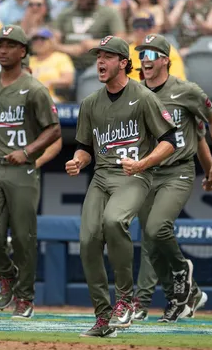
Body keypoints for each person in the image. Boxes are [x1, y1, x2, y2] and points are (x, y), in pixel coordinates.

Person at [65, 35, 177, 337]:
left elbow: (169, 141)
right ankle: (103, 318)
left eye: (108, 56)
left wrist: (143, 164)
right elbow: (85, 147)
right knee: (88, 240)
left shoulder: (143, 97)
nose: (100, 61)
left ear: (124, 63)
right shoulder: (90, 103)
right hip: (101, 177)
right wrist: (78, 160)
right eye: (98, 56)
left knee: (115, 221)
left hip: (135, 176)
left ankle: (126, 299)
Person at [0, 25, 62, 318]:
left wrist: (28, 151)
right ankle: (6, 274)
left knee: (23, 236)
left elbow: (54, 129)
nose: (2, 49)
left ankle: (25, 298)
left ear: (22, 51)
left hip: (22, 168)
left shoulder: (35, 89)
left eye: (9, 44)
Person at [132, 34, 212, 323]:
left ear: (165, 60)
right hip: (146, 173)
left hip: (178, 171)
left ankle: (182, 272)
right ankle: (184, 296)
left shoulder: (186, 91)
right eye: (142, 55)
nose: (145, 60)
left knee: (158, 228)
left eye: (151, 54)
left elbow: (210, 123)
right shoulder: (134, 93)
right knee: (149, 238)